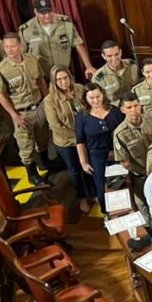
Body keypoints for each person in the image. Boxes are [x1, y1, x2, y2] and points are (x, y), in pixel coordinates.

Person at [0, 33, 49, 184]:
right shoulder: (1, 69)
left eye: (12, 46)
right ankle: (32, 174)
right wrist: (14, 115)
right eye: (6, 47)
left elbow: (41, 81)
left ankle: (45, 163)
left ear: (20, 46)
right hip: (22, 112)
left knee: (43, 138)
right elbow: (0, 95)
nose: (10, 50)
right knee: (26, 145)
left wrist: (48, 101)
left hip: (39, 107)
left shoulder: (32, 60)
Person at [45, 67, 90, 212]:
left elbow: (89, 108)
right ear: (54, 81)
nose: (64, 82)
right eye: (59, 79)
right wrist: (78, 137)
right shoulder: (50, 100)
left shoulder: (80, 89)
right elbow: (55, 126)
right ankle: (81, 198)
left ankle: (94, 193)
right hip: (66, 141)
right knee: (75, 170)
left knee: (88, 166)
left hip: (85, 136)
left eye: (66, 78)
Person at [75, 83, 124, 214]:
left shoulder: (115, 112)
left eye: (98, 96)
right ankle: (107, 213)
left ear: (103, 94)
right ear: (86, 99)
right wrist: (83, 162)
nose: (95, 100)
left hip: (117, 154)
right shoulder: (82, 116)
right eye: (91, 98)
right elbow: (80, 141)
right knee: (102, 189)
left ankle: (122, 214)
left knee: (120, 185)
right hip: (96, 156)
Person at [19, 0, 94, 78]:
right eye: (43, 13)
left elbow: (79, 45)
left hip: (64, 75)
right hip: (41, 78)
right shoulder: (26, 30)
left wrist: (88, 66)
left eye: (49, 11)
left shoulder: (65, 24)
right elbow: (22, 54)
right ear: (35, 12)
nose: (47, 15)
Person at [113, 92, 152, 207]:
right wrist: (145, 172)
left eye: (136, 106)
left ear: (140, 105)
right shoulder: (120, 133)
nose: (133, 110)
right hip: (142, 176)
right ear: (123, 110)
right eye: (129, 107)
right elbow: (125, 162)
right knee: (148, 206)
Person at [92, 40, 139, 107]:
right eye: (109, 56)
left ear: (121, 52)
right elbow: (100, 102)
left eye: (116, 54)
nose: (114, 58)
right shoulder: (98, 78)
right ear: (103, 56)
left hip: (135, 105)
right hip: (115, 109)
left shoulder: (133, 66)